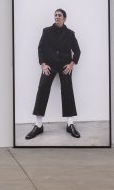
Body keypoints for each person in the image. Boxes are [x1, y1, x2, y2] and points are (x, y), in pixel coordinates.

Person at [25, 8, 81, 140]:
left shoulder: (70, 34)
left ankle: (70, 124)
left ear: (64, 18)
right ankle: (38, 125)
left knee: (68, 91)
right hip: (49, 65)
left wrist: (71, 64)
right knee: (42, 89)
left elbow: (77, 51)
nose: (57, 17)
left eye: (59, 15)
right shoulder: (46, 31)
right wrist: (43, 64)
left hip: (64, 66)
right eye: (55, 15)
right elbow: (40, 48)